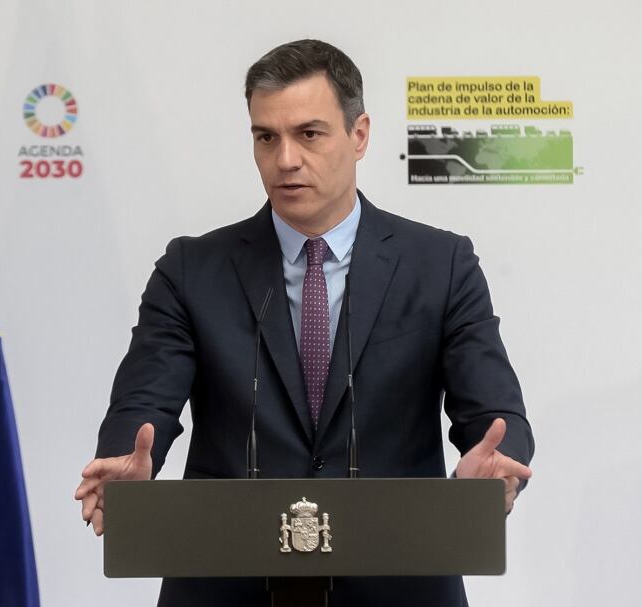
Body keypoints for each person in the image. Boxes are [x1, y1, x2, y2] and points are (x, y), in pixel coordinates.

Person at [74, 39, 534, 606]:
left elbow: (493, 412)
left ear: (359, 134)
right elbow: (143, 403)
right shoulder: (191, 270)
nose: (285, 159)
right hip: (227, 583)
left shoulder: (440, 265)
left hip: (399, 581)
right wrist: (125, 456)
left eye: (309, 134)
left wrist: (495, 462)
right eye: (266, 137)